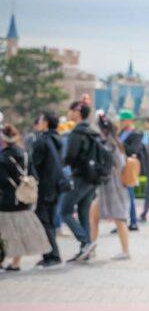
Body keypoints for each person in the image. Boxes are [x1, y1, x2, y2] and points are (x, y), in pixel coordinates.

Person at [0, 124, 49, 270]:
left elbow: (2, 181)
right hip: (23, 199)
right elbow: (34, 176)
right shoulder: (25, 155)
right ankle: (16, 263)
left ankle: (1, 261)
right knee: (20, 231)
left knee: (4, 233)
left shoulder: (2, 157)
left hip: (6, 201)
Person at [62, 98, 99, 262]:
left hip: (80, 176)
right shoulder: (93, 130)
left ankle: (85, 241)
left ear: (77, 112)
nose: (69, 114)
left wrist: (62, 163)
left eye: (71, 111)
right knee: (83, 212)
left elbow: (70, 156)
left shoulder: (78, 132)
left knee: (65, 211)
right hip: (93, 178)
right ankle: (87, 248)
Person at [31, 111, 67, 267]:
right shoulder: (58, 139)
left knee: (44, 221)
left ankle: (52, 255)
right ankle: (49, 254)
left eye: (40, 120)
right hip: (57, 185)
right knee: (50, 220)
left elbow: (34, 165)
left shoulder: (42, 141)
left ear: (45, 124)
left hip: (45, 186)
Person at [96, 114, 132, 260]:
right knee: (94, 215)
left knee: (119, 216)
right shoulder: (113, 142)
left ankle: (125, 250)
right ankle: (89, 245)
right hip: (112, 184)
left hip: (114, 184)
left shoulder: (110, 144)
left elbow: (121, 163)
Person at [118, 110, 144, 230]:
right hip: (119, 166)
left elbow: (134, 150)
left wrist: (120, 144)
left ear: (130, 120)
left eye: (123, 120)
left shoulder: (136, 134)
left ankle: (133, 221)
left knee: (129, 193)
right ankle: (121, 222)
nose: (121, 122)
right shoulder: (121, 133)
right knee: (120, 196)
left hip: (129, 166)